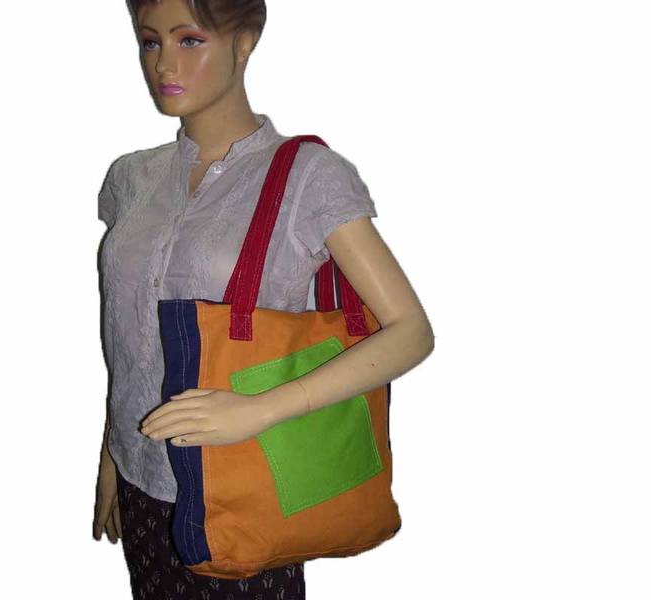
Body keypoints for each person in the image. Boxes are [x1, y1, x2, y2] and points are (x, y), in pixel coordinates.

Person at [93, 1, 435, 598]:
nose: (164, 64)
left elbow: (410, 331)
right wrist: (111, 455)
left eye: (190, 40)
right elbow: (127, 332)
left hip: (245, 481)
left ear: (245, 41)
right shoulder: (131, 179)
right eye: (150, 42)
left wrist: (261, 409)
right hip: (140, 480)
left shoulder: (308, 177)